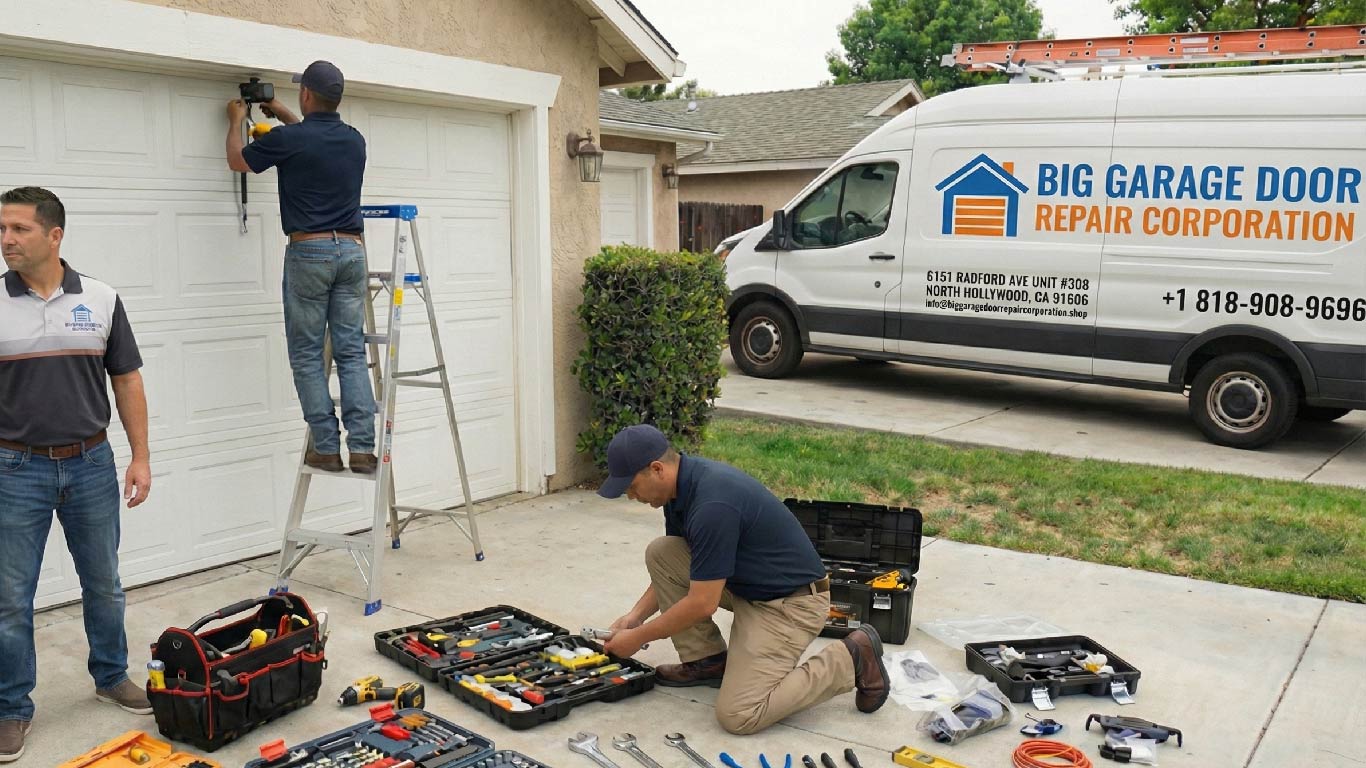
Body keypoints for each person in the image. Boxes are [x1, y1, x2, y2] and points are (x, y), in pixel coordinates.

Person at [598, 424, 889, 735]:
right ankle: (707, 661)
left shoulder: (711, 505)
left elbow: (702, 603)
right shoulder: (679, 489)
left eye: (631, 486)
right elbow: (684, 570)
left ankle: (851, 657)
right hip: (749, 587)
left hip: (791, 605)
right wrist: (634, 618)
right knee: (663, 552)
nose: (631, 495)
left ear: (657, 469)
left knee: (739, 714)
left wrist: (639, 637)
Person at [0, 187, 153, 763]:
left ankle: (111, 676)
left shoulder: (102, 299)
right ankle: (10, 708)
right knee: (10, 597)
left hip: (91, 463)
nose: (7, 240)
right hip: (15, 468)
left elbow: (127, 380)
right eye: (2, 229)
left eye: (19, 229)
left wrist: (140, 456)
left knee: (104, 582)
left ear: (54, 235)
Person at [225, 60, 376, 474]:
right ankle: (363, 448)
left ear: (306, 94)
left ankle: (326, 447)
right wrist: (281, 111)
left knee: (308, 354)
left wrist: (236, 120)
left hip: (310, 253)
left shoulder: (289, 140)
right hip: (352, 251)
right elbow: (310, 138)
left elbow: (238, 160)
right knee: (350, 351)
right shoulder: (354, 140)